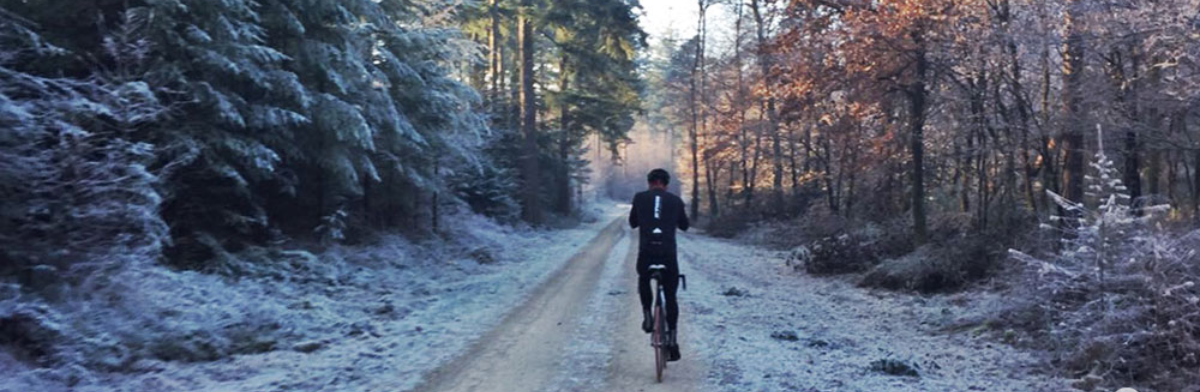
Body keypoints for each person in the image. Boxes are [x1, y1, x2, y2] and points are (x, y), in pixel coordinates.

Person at [628, 168, 689, 361]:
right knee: (671, 296)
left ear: (649, 183)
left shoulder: (639, 198)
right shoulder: (675, 200)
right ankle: (671, 338)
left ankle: (647, 314)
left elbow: (633, 223)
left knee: (644, 278)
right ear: (666, 184)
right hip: (667, 254)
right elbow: (685, 226)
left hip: (647, 252)